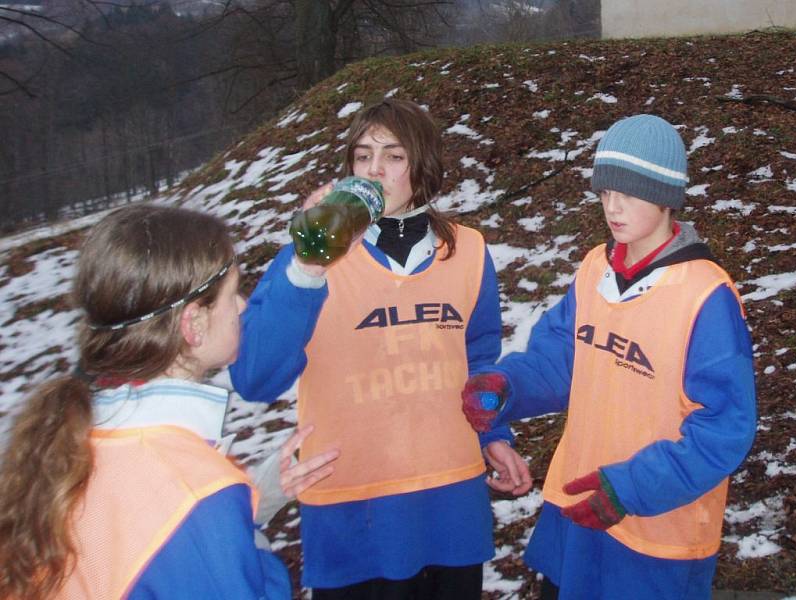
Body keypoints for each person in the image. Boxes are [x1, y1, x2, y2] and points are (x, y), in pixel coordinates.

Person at [230, 98, 532, 599]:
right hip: (353, 509)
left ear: (424, 167)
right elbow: (255, 377)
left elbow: (477, 360)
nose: (374, 169)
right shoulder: (312, 253)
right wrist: (306, 268)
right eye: (362, 154)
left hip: (449, 501)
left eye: (393, 156)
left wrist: (491, 434)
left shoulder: (469, 250)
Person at [460, 114, 758, 599]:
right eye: (604, 194)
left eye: (629, 193)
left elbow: (725, 428)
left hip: (655, 529)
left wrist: (631, 488)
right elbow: (560, 360)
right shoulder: (596, 269)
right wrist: (506, 387)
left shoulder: (704, 295)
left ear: (666, 195)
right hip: (579, 506)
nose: (612, 207)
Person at [0, 205, 339, 600]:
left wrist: (248, 503)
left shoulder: (77, 441)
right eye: (233, 294)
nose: (243, 307)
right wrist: (242, 539)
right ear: (193, 323)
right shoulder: (193, 492)